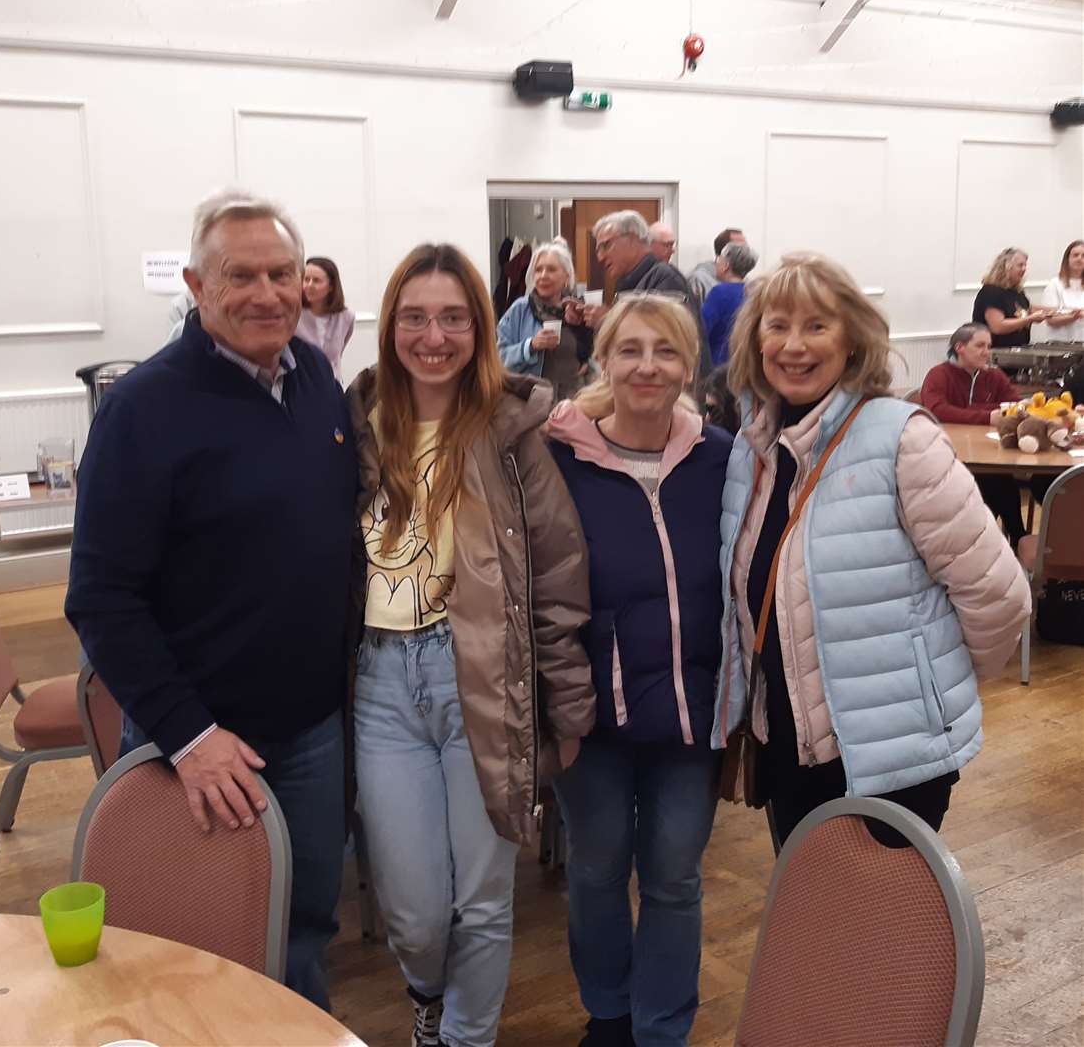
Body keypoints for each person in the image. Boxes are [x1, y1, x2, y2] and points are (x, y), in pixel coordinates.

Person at [65, 188, 356, 1010]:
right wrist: (191, 737)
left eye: (281, 273)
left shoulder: (317, 382)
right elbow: (101, 598)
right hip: (192, 743)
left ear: (306, 282)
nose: (265, 293)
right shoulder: (141, 410)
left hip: (310, 729)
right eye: (240, 276)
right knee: (192, 946)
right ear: (196, 288)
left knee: (304, 927)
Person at [347, 243, 595, 1047]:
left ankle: (463, 1038)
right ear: (389, 328)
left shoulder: (510, 425)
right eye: (415, 317)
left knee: (484, 898)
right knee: (414, 910)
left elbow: (558, 570)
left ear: (480, 328)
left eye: (453, 317)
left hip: (484, 681)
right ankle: (427, 992)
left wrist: (568, 703)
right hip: (379, 683)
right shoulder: (355, 423)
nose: (434, 336)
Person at [716, 253, 1030, 848]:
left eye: (817, 325)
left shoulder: (901, 438)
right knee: (812, 916)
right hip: (786, 743)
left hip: (895, 757)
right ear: (756, 342)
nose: (794, 345)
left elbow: (998, 593)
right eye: (777, 326)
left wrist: (933, 689)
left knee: (882, 930)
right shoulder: (752, 449)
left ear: (852, 340)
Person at [545, 294, 731, 1047]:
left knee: (673, 879)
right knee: (593, 873)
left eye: (664, 350)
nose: (647, 366)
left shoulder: (721, 456)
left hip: (692, 714)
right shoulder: (558, 458)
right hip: (590, 717)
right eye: (629, 350)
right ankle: (609, 1011)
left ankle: (660, 1029)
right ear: (603, 360)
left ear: (689, 364)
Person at [921, 324, 1027, 544]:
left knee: (1001, 479)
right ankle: (995, 539)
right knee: (995, 482)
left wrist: (978, 410)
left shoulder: (994, 375)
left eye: (989, 346)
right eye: (980, 345)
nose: (986, 352)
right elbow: (938, 410)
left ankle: (1013, 539)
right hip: (949, 455)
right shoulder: (938, 375)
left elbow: (1015, 405)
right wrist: (987, 415)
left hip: (988, 451)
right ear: (959, 347)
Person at [588, 210, 711, 384]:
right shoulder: (629, 282)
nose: (600, 257)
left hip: (670, 394)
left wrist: (608, 320)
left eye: (606, 245)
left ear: (632, 238)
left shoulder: (666, 279)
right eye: (598, 249)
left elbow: (668, 340)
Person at [496, 239, 594, 401]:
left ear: (566, 277)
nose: (543, 276)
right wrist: (531, 346)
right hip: (532, 406)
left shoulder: (577, 309)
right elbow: (497, 360)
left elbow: (596, 354)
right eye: (538, 270)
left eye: (551, 270)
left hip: (574, 403)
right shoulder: (520, 309)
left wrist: (587, 360)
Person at [972, 247, 1050, 348]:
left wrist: (1060, 310)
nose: (1024, 269)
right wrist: (1030, 319)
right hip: (996, 352)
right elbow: (998, 327)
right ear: (1007, 267)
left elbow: (1028, 309)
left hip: (1017, 350)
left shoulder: (1016, 291)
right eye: (1020, 265)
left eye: (1025, 265)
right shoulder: (991, 292)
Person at [298, 255, 357, 380]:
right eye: (306, 279)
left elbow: (337, 355)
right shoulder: (294, 314)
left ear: (331, 286)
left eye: (316, 280)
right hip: (300, 385)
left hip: (332, 384)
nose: (309, 285)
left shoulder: (346, 317)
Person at [701, 241, 758, 366]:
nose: (715, 262)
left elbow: (701, 328)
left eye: (718, 259)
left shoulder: (719, 293)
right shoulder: (755, 293)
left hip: (719, 364)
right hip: (747, 363)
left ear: (726, 265)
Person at [1033, 239, 1084, 343]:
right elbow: (1051, 320)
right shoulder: (1055, 284)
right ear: (1067, 259)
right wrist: (1074, 316)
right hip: (1060, 345)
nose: (1080, 259)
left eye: (1083, 256)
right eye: (1075, 255)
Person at [687, 227, 745, 305]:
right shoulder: (698, 279)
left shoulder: (745, 279)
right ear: (724, 251)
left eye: (745, 247)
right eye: (740, 248)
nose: (746, 252)